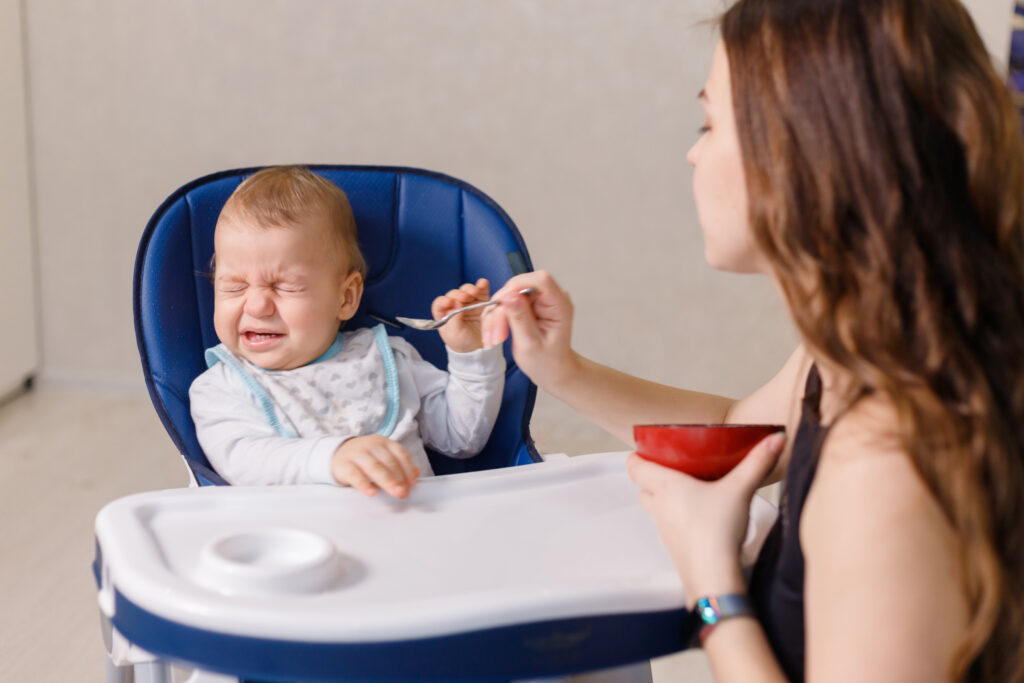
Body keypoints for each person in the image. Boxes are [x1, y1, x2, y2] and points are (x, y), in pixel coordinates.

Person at [481, 0, 1024, 680]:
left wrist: (708, 577)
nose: (692, 151)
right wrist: (560, 368)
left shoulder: (887, 463)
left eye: (709, 123)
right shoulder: (870, 343)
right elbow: (741, 432)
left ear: (804, 157)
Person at [189, 165, 505, 498]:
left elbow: (463, 439)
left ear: (346, 297)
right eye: (234, 287)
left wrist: (470, 353)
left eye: (285, 287)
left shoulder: (388, 362)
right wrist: (334, 457)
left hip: (415, 534)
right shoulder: (221, 388)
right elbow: (243, 464)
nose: (255, 306)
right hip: (296, 544)